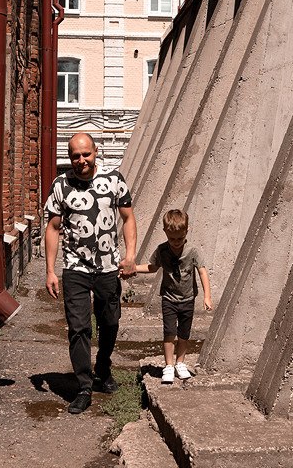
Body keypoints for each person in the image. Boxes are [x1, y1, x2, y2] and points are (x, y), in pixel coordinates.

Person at [44, 133, 137, 414]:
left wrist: (130, 256)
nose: (81, 160)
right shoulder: (61, 185)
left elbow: (128, 218)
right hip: (75, 268)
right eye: (75, 156)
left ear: (96, 151)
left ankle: (103, 367)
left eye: (86, 154)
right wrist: (50, 271)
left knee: (110, 321)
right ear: (69, 156)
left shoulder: (114, 179)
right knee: (79, 328)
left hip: (109, 267)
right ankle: (84, 387)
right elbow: (52, 228)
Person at [135, 208, 210, 383]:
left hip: (188, 299)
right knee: (169, 332)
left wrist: (207, 296)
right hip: (169, 298)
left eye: (180, 239)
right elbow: (152, 267)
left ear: (187, 231)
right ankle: (168, 366)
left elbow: (202, 272)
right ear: (165, 232)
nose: (176, 242)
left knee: (184, 334)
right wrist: (133, 269)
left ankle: (180, 363)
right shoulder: (162, 250)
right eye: (172, 239)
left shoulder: (193, 251)